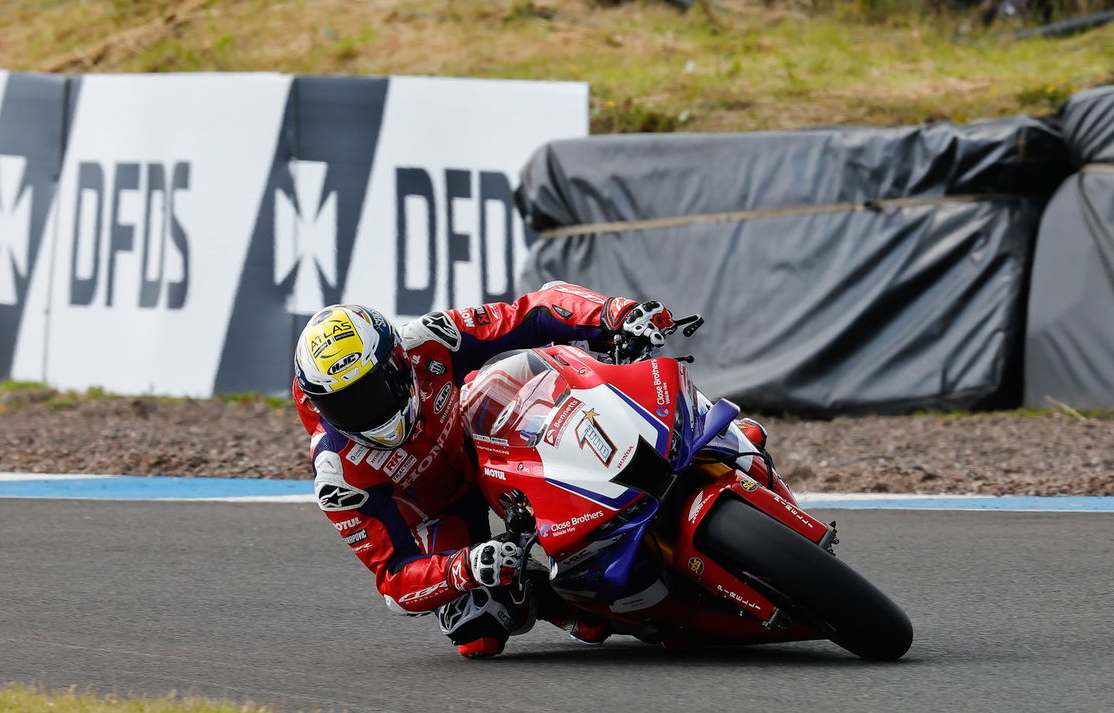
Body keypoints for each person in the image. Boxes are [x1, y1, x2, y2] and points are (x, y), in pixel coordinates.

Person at [291, 282, 785, 659]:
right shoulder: (339, 478)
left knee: (567, 379)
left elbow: (533, 312)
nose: (365, 414)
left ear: (397, 363)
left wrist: (615, 315)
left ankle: (724, 440)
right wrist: (467, 566)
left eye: (371, 393)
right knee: (477, 632)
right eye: (345, 406)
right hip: (438, 512)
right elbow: (396, 579)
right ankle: (580, 603)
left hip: (488, 439)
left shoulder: (427, 341)